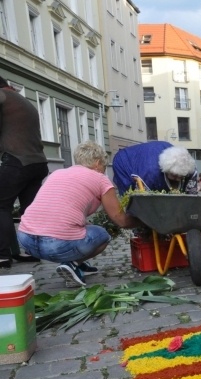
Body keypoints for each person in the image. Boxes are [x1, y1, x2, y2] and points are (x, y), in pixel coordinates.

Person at [18, 141, 141, 287]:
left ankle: (77, 264)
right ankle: (73, 263)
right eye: (103, 166)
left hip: (26, 240)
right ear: (97, 163)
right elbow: (121, 220)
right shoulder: (100, 179)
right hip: (56, 246)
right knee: (102, 235)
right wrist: (144, 221)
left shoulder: (57, 173)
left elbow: (57, 210)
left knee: (84, 228)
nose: (103, 170)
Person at [0, 75, 50, 268]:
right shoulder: (23, 101)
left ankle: (3, 256)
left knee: (1, 206)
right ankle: (31, 251)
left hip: (17, 161)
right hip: (38, 163)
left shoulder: (3, 96)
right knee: (29, 210)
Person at [112, 141, 198, 195]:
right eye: (174, 175)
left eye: (180, 176)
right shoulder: (151, 173)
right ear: (166, 170)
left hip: (151, 153)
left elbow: (192, 194)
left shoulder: (190, 168)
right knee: (129, 194)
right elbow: (149, 199)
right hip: (124, 161)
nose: (177, 178)